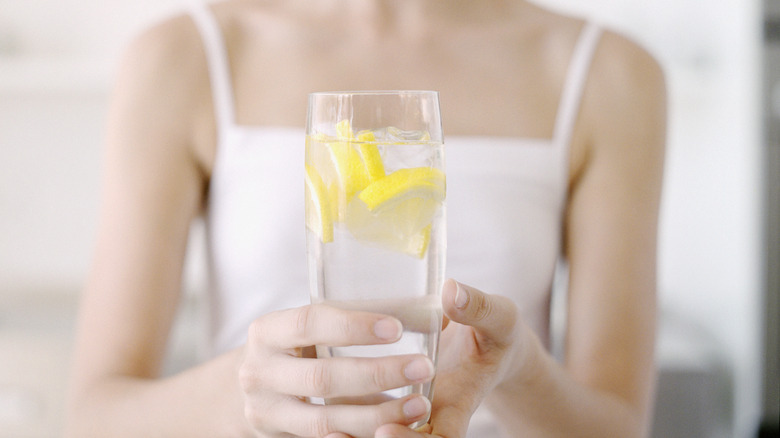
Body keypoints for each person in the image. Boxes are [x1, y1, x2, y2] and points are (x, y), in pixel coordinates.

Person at [64, 0, 666, 437]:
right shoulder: (183, 54)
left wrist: (519, 369)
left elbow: (617, 425)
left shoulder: (609, 72)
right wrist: (250, 391)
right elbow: (95, 416)